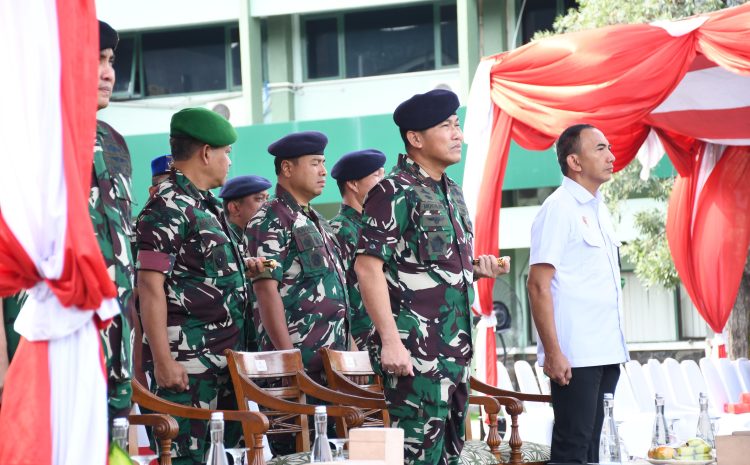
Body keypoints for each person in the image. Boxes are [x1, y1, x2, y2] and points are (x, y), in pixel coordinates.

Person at [354, 89, 509, 465]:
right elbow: (367, 266)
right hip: (415, 359)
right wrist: (391, 342)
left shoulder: (452, 193)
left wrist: (475, 267)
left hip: (455, 354)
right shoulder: (392, 191)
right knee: (416, 459)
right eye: (446, 126)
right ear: (416, 138)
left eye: (457, 125)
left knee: (449, 459)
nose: (457, 134)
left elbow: (430, 264)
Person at [135, 107, 248, 464]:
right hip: (188, 370)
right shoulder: (166, 209)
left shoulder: (206, 207)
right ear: (205, 153)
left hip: (224, 366)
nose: (229, 161)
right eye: (226, 152)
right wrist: (164, 362)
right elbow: (150, 288)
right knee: (187, 458)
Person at [526, 123, 628, 464]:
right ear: (575, 161)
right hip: (575, 356)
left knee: (591, 450)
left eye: (609, 148)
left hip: (606, 350)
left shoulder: (599, 209)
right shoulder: (559, 208)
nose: (611, 156)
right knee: (572, 448)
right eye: (600, 148)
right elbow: (538, 284)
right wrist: (553, 353)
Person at [246, 131, 349, 381]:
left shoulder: (317, 221)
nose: (323, 171)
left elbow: (337, 294)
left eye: (323, 163)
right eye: (315, 163)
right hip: (298, 366)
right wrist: (288, 358)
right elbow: (265, 290)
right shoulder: (270, 219)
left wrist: (351, 353)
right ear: (287, 168)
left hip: (333, 363)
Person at [93, 20, 136, 425]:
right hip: (61, 347)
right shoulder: (34, 139)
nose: (108, 72)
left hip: (117, 350)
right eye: (95, 61)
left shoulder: (113, 141)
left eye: (109, 61)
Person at [329, 149, 386, 350]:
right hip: (362, 345)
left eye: (383, 173)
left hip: (385, 340)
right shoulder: (340, 230)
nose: (384, 181)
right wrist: (351, 349)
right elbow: (334, 296)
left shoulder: (376, 226)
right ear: (353, 184)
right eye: (376, 175)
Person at [219, 174, 272, 352]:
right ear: (234, 207)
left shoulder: (259, 239)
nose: (267, 205)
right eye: (258, 199)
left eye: (267, 198)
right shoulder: (223, 242)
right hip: (229, 345)